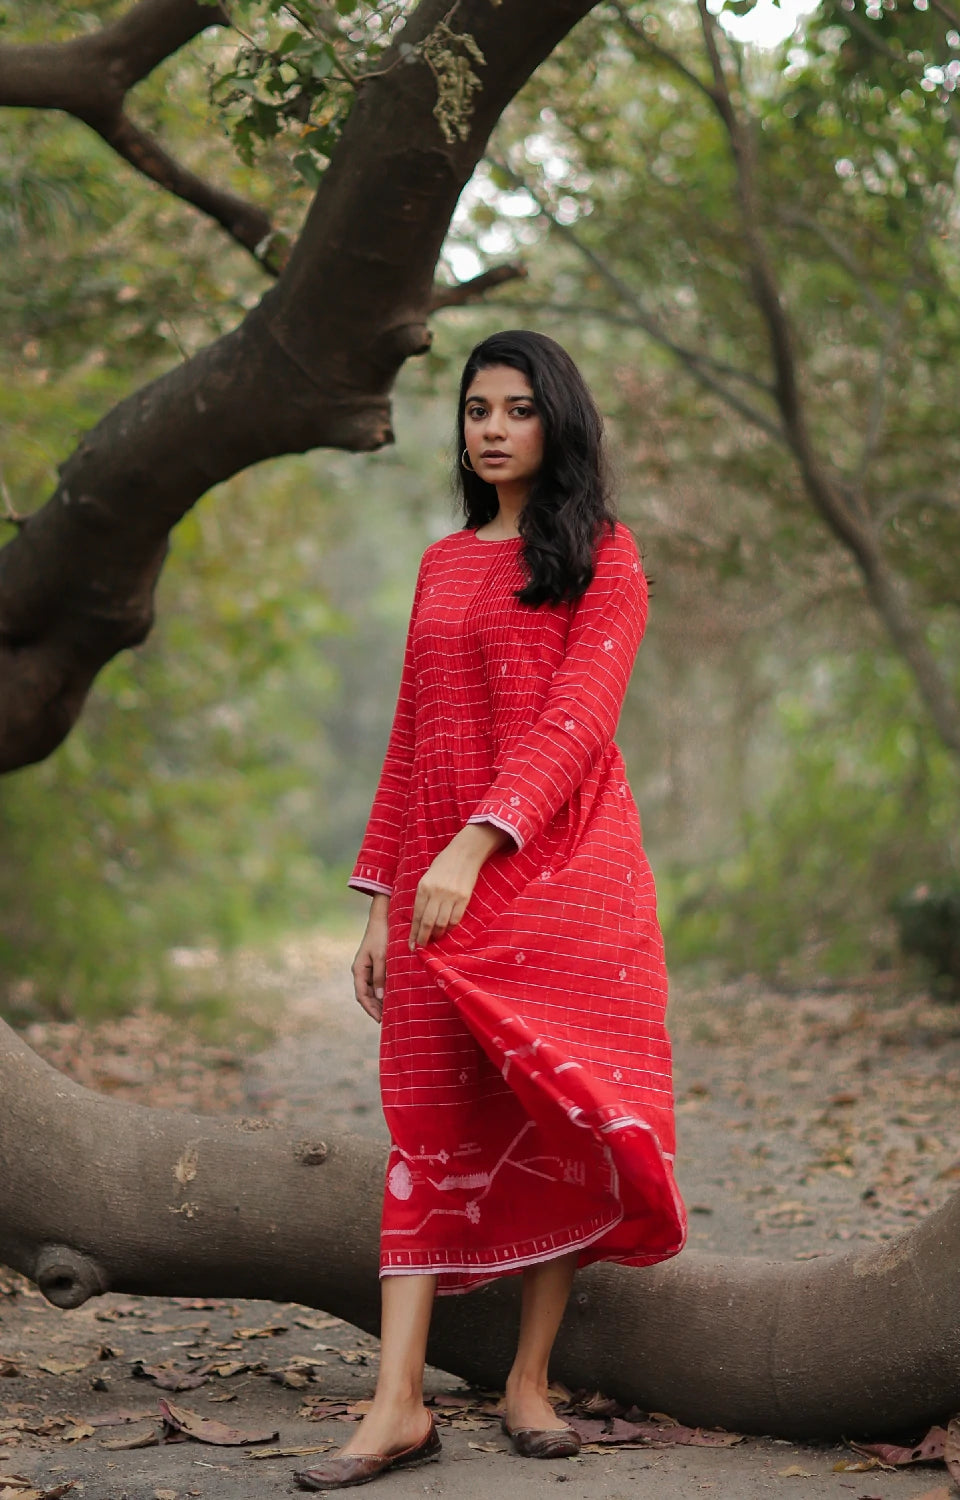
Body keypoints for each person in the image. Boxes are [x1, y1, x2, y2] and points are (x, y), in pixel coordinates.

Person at [294, 330, 687, 1492]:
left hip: (563, 881)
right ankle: (398, 1402)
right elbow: (411, 742)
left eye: (518, 407)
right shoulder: (439, 563)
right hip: (435, 883)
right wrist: (381, 897)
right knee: (424, 1121)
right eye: (477, 408)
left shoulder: (604, 558)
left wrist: (474, 844)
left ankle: (527, 1378)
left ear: (557, 423)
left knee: (557, 1113)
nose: (493, 427)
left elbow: (578, 722)